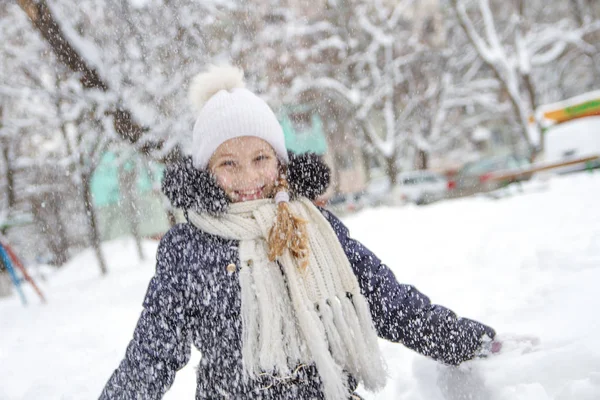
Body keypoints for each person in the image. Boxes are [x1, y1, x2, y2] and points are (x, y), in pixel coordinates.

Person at [100, 65, 499, 400]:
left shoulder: (313, 226)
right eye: (228, 164)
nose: (249, 178)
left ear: (279, 160)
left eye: (260, 158)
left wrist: (462, 340)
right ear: (206, 171)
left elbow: (384, 299)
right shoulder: (188, 247)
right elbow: (153, 353)